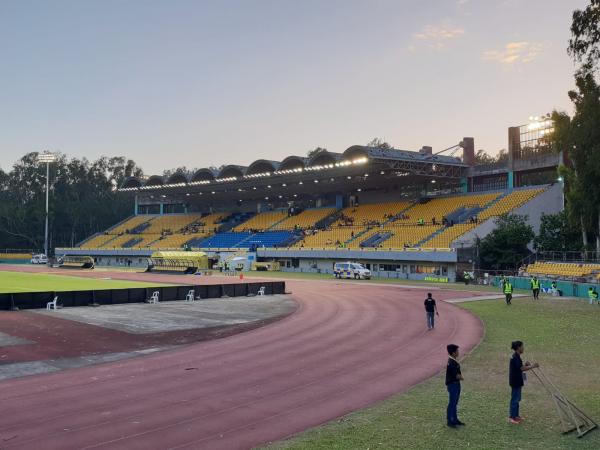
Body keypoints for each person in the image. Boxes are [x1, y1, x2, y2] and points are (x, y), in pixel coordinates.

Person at [508, 340, 538, 424]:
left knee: (517, 399)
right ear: (518, 348)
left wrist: (526, 365)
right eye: (522, 346)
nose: (523, 348)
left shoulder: (517, 356)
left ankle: (516, 415)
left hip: (518, 381)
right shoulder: (515, 357)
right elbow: (521, 369)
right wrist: (533, 366)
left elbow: (520, 367)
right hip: (515, 382)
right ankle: (512, 417)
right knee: (515, 399)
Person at [445, 344, 465, 428]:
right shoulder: (452, 362)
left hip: (455, 384)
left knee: (454, 403)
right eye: (457, 351)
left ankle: (455, 419)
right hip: (453, 385)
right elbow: (457, 375)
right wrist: (461, 377)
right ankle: (450, 421)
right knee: (452, 403)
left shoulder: (453, 361)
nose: (458, 352)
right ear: (453, 353)